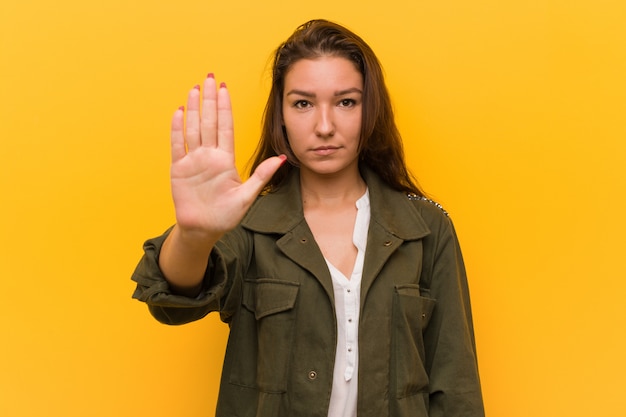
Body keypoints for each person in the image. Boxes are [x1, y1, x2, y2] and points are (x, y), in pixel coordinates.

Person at [131, 19, 484, 417]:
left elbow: (456, 389)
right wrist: (195, 235)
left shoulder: (426, 229)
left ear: (371, 110)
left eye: (346, 101)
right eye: (303, 103)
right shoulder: (247, 224)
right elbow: (174, 303)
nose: (324, 126)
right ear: (280, 114)